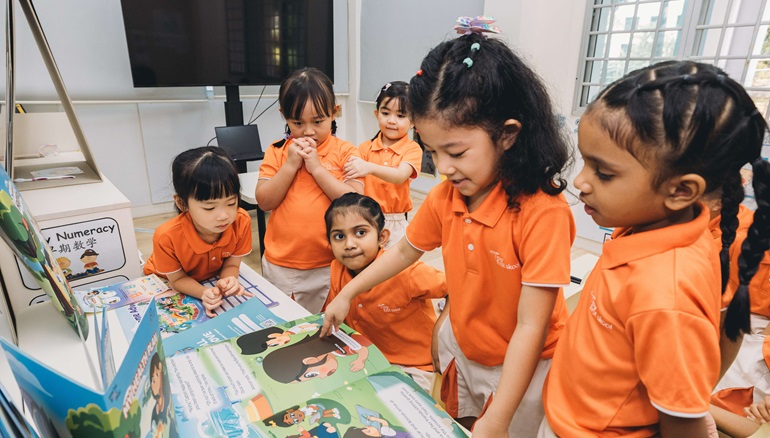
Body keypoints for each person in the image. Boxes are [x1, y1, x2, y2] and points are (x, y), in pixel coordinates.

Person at [322, 24, 576, 437]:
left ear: (508, 135)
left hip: (524, 367)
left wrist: (499, 416)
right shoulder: (447, 197)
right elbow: (404, 253)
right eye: (433, 151)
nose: (443, 168)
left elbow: (531, 326)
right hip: (467, 347)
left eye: (456, 152)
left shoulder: (541, 212)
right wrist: (349, 292)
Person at [540, 61, 770, 437]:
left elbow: (683, 419)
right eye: (586, 162)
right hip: (571, 414)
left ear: (681, 191)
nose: (580, 181)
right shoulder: (645, 227)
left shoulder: (666, 292)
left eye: (603, 172)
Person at [256, 67, 363, 313]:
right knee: (282, 324)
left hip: (329, 262)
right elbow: (264, 201)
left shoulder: (346, 152)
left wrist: (317, 168)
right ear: (284, 115)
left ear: (334, 113)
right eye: (297, 123)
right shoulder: (277, 150)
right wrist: (291, 164)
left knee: (323, 326)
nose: (308, 131)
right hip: (281, 263)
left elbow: (355, 202)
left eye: (318, 122)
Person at [323, 193, 447, 392]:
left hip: (414, 366)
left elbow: (454, 288)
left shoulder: (406, 272)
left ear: (382, 237)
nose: (349, 244)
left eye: (360, 233)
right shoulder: (337, 269)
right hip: (367, 360)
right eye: (339, 236)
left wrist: (440, 333)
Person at [143, 146, 251, 317]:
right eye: (209, 208)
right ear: (182, 203)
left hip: (208, 278)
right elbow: (177, 279)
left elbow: (231, 264)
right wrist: (204, 293)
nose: (224, 216)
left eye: (231, 203)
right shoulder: (166, 237)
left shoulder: (241, 221)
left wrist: (228, 280)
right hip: (164, 282)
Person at [343, 82, 423, 248]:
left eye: (401, 116)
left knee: (395, 268)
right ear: (376, 113)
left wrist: (369, 167)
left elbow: (400, 176)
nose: (392, 121)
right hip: (366, 218)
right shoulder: (364, 148)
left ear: (413, 121)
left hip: (396, 221)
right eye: (385, 113)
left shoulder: (412, 148)